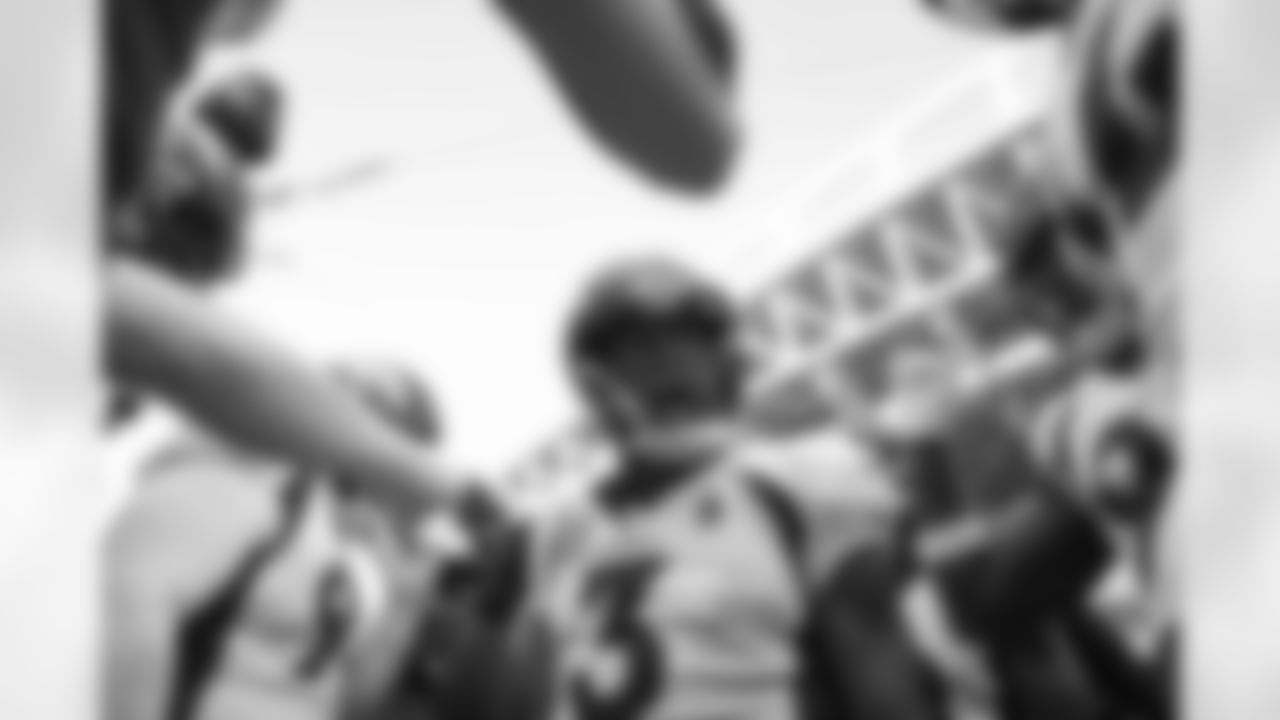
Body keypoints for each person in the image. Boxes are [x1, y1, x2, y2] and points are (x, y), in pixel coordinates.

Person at [103, 358, 443, 720]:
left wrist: (403, 596)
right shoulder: (247, 475)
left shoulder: (354, 538)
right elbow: (123, 598)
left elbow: (335, 687)